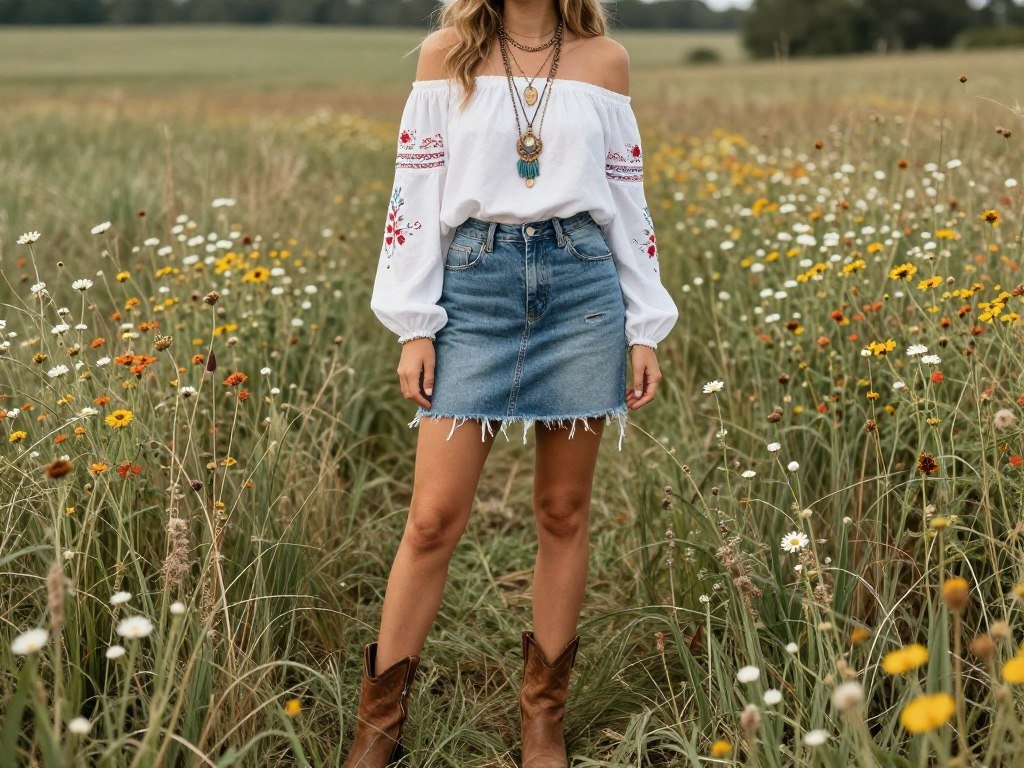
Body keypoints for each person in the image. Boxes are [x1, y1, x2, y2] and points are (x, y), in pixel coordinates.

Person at [345, 1, 679, 765]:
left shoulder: (606, 61)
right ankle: (379, 726)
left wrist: (643, 325)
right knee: (432, 518)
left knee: (562, 511)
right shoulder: (445, 53)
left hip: (583, 289)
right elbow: (413, 194)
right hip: (474, 286)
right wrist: (416, 323)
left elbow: (628, 204)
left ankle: (541, 719)